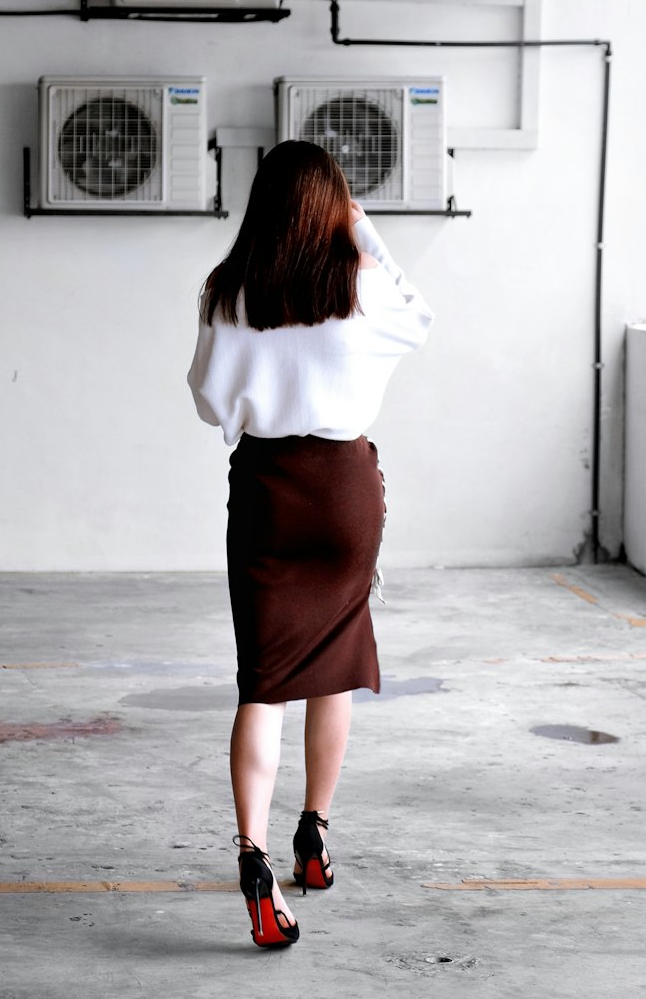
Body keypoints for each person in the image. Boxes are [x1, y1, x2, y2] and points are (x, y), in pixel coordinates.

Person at [186, 140, 433, 949]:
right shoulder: (356, 283)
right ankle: (314, 837)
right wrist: (365, 233)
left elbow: (206, 402)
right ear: (334, 203)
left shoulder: (230, 290)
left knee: (263, 682)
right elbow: (419, 320)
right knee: (335, 665)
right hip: (346, 493)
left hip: (266, 490)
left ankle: (254, 860)